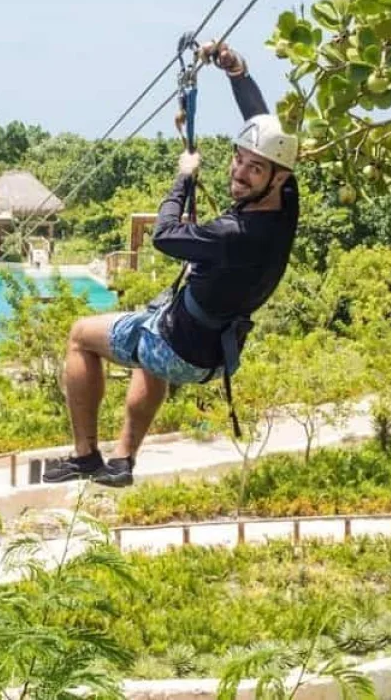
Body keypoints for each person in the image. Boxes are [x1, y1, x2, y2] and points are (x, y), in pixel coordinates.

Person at [42, 42, 299, 487]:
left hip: (180, 350)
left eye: (254, 170)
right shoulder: (285, 202)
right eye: (239, 159)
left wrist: (184, 175)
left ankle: (85, 457)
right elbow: (263, 126)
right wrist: (237, 73)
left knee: (82, 336)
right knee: (151, 329)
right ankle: (122, 462)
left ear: (274, 178)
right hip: (217, 352)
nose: (239, 172)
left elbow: (164, 235)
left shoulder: (232, 235)